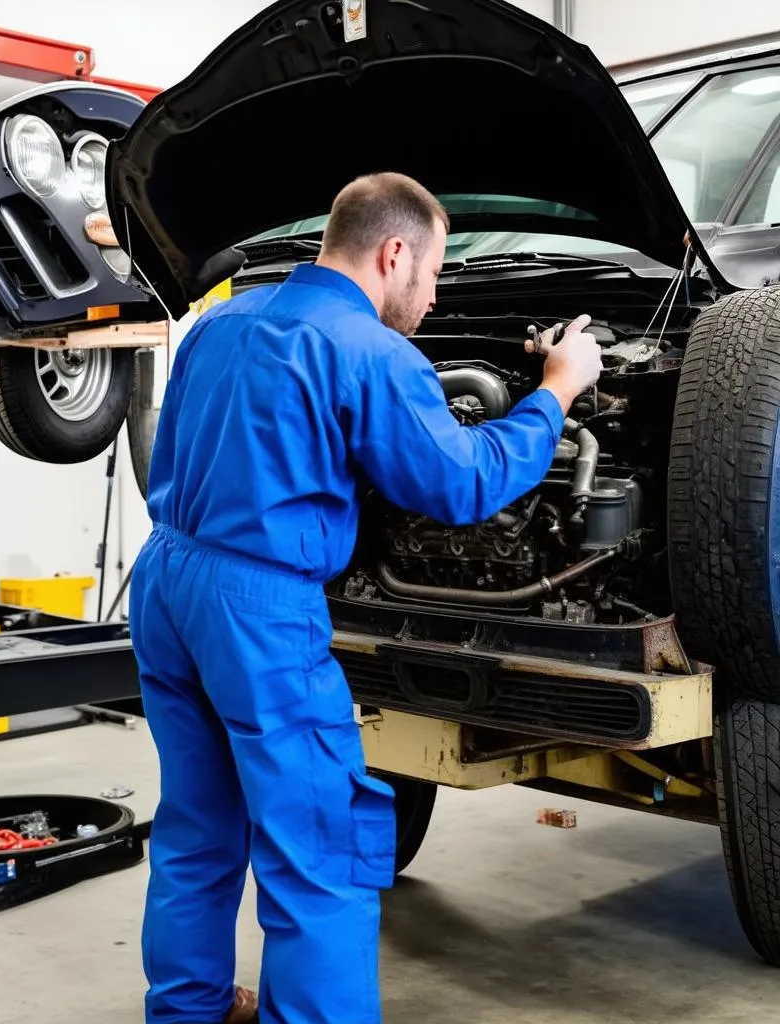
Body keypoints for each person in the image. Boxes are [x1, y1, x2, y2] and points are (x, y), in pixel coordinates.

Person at [128, 172, 602, 1024]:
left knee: (198, 824)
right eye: (433, 272)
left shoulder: (217, 321)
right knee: (320, 842)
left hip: (166, 582)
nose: (432, 294)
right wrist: (559, 388)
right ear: (393, 253)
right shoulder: (369, 352)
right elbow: (464, 483)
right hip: (259, 610)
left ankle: (188, 1007)